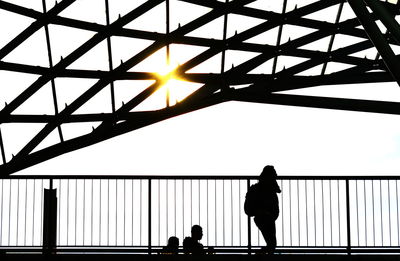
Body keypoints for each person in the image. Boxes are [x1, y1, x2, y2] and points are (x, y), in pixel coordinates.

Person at [250, 165, 281, 254]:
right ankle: (261, 253)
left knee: (271, 243)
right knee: (272, 244)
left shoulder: (262, 187)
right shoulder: (268, 187)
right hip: (265, 217)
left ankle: (261, 253)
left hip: (265, 217)